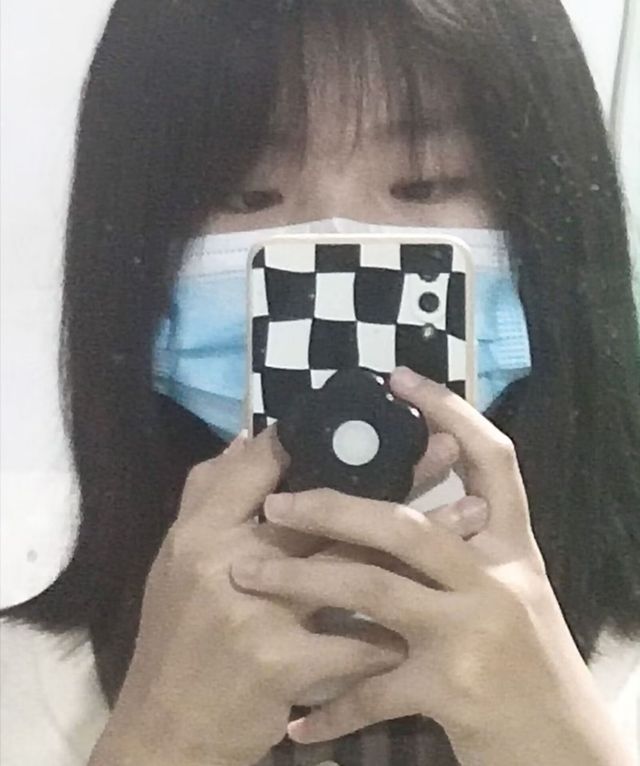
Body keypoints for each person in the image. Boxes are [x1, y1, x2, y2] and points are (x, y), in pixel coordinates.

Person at [2, 1, 639, 764]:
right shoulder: (18, 690)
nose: (336, 240)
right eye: (246, 196)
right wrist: (160, 743)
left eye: (426, 184)